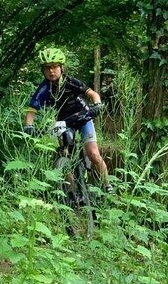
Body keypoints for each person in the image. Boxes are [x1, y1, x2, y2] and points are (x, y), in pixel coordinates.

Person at [24, 48, 113, 193]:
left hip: (83, 116)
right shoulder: (43, 88)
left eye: (54, 67)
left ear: (61, 68)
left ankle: (108, 184)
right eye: (47, 68)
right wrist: (28, 127)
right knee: (64, 155)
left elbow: (92, 93)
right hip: (64, 122)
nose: (51, 71)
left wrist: (97, 105)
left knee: (93, 154)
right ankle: (71, 193)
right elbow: (32, 111)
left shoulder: (70, 81)